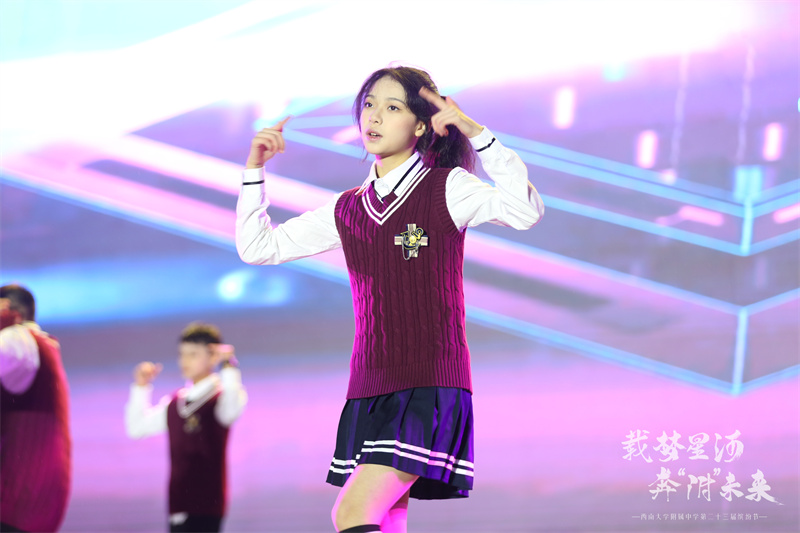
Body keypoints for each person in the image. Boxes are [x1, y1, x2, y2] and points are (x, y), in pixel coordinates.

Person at [236, 66, 544, 533]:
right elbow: (258, 247)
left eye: (392, 107)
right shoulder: (346, 209)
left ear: (420, 125)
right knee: (387, 519)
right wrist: (254, 169)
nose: (374, 116)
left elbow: (524, 210)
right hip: (369, 385)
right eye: (369, 104)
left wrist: (477, 134)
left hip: (427, 382)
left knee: (351, 514)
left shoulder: (447, 187)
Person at [125, 322, 248, 533]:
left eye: (193, 355)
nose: (185, 361)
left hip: (207, 506)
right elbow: (136, 428)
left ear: (213, 356)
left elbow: (232, 408)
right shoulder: (175, 403)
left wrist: (229, 366)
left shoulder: (218, 398)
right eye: (182, 354)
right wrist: (141, 387)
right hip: (178, 504)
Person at [0, 283, 71, 533]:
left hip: (15, 500)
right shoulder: (42, 345)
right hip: (37, 501)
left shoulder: (17, 337)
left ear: (7, 308)